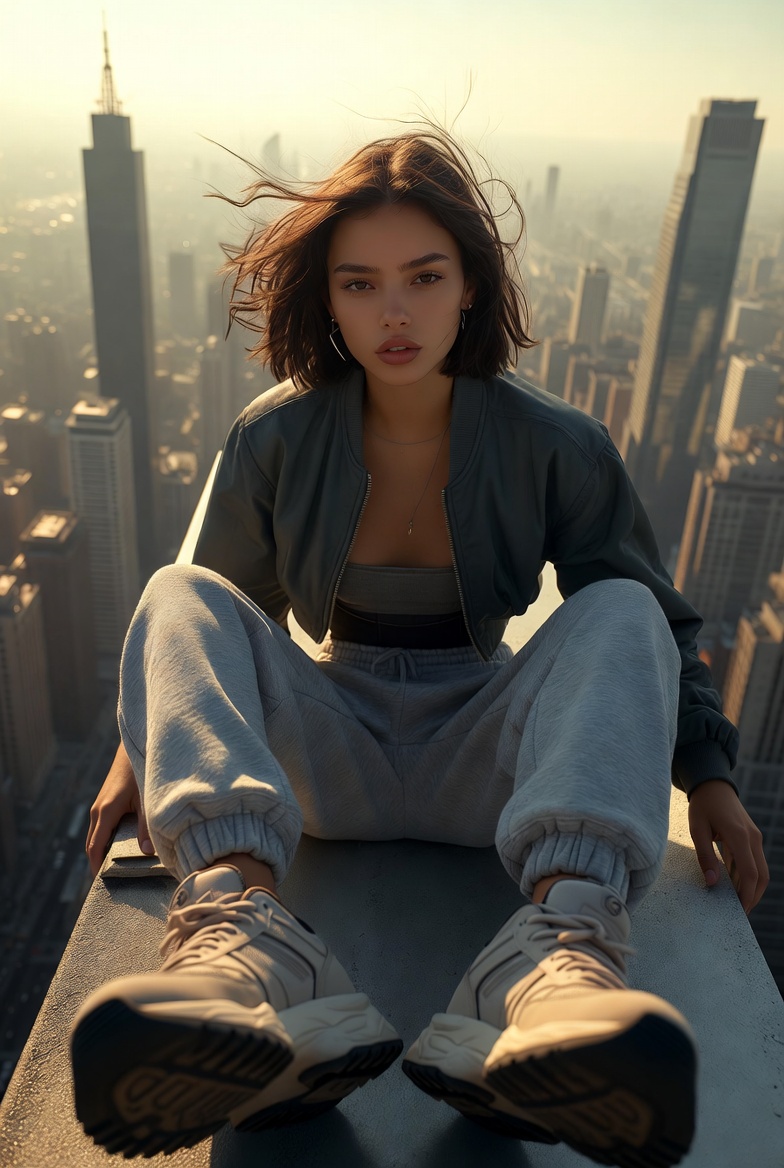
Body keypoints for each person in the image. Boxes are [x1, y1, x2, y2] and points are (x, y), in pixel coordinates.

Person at [70, 126, 768, 1167]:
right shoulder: (274, 437)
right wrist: (142, 747)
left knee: (619, 605)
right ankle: (241, 950)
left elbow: (652, 624)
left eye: (424, 278)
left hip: (483, 754)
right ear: (328, 299)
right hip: (329, 752)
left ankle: (559, 967)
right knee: (177, 586)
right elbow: (214, 616)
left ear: (471, 287)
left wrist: (706, 773)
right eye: (360, 285)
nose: (393, 313)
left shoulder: (557, 444)